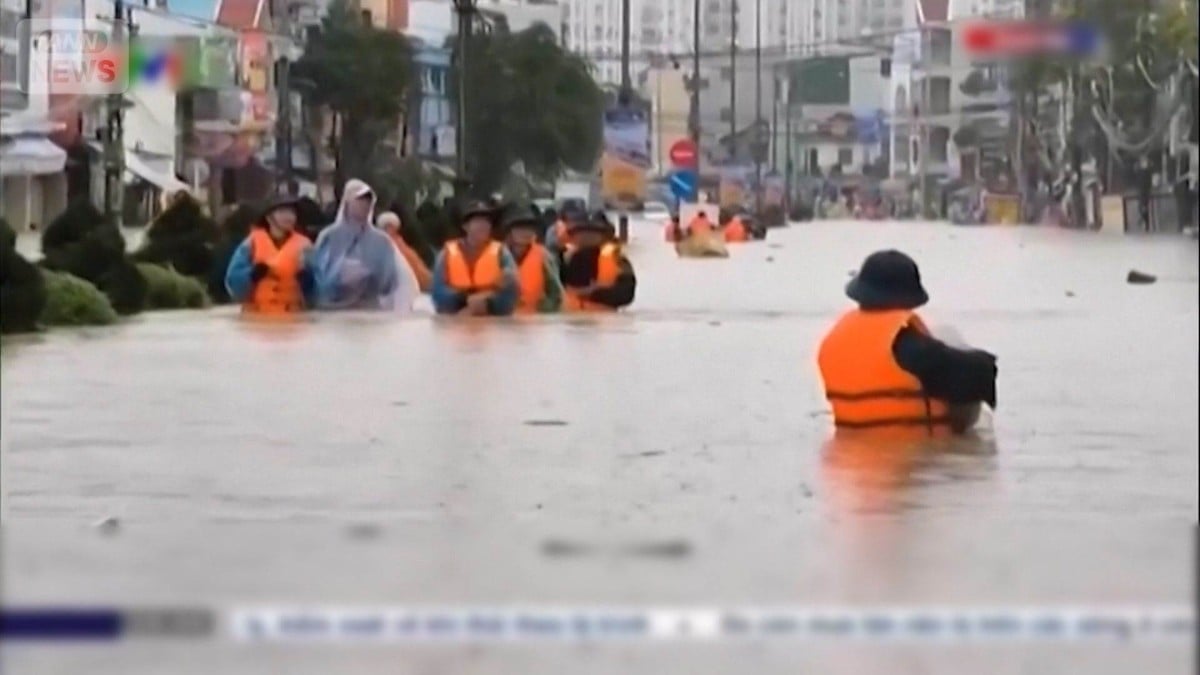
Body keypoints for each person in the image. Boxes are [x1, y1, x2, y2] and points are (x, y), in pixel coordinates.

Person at [817, 250, 997, 435]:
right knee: (948, 336)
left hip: (847, 454)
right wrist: (986, 361)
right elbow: (980, 375)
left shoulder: (833, 339)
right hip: (914, 453)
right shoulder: (913, 347)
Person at [312, 179, 418, 311]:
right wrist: (340, 276)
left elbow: (390, 281)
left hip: (370, 311)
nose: (364, 205)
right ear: (347, 202)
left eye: (368, 201)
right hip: (331, 312)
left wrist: (368, 274)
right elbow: (316, 277)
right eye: (359, 200)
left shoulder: (382, 241)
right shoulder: (328, 236)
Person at [224, 196, 316, 315]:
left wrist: (307, 280)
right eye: (282, 212)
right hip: (256, 318)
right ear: (269, 217)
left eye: (292, 212)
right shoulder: (251, 243)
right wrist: (252, 274)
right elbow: (232, 281)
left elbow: (319, 288)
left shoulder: (305, 246)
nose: (288, 217)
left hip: (294, 318)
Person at [431, 200, 518, 316]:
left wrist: (487, 303)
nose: (483, 225)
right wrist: (465, 300)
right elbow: (438, 292)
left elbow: (511, 292)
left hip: (492, 320)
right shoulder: (446, 253)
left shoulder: (502, 252)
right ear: (465, 226)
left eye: (486, 222)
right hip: (455, 320)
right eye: (477, 221)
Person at [558, 211, 636, 312]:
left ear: (603, 236)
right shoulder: (562, 259)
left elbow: (626, 294)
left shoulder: (618, 259)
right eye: (581, 232)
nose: (586, 236)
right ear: (573, 236)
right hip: (570, 320)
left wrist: (594, 293)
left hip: (604, 320)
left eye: (592, 233)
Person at [502, 204, 564, 313]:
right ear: (510, 231)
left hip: (534, 321)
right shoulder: (499, 254)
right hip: (501, 320)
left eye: (530, 228)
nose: (525, 232)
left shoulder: (544, 255)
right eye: (520, 228)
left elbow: (556, 295)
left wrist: (542, 309)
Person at [377, 211, 433, 293]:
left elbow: (415, 266)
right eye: (386, 227)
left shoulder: (399, 245)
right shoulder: (387, 244)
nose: (389, 230)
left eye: (390, 227)